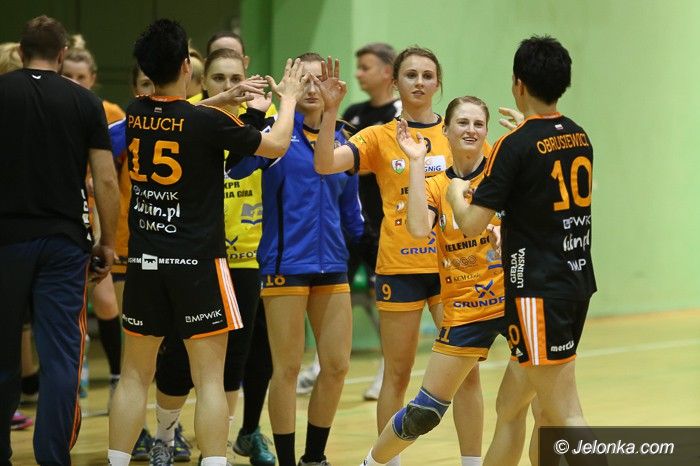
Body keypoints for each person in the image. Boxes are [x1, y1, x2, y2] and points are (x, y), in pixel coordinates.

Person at [107, 18, 306, 466]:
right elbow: (276, 144)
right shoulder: (205, 123)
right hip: (198, 265)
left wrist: (221, 99)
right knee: (211, 378)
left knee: (134, 375)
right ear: (187, 67)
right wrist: (289, 98)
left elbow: (179, 115)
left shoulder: (134, 113)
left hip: (145, 263)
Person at [313, 53, 486, 466]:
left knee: (466, 375)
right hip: (399, 267)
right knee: (397, 373)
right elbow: (325, 163)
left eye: (428, 75)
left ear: (438, 84)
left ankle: (471, 462)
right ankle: (387, 462)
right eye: (411, 75)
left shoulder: (458, 132)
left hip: (453, 271)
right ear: (396, 83)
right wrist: (330, 111)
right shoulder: (378, 136)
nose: (419, 82)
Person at [445, 36, 596, 466]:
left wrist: (456, 192)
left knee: (566, 414)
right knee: (510, 407)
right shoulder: (578, 135)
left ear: (518, 84)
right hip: (574, 284)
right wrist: (523, 135)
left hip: (536, 294)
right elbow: (539, 189)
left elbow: (471, 223)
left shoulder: (514, 146)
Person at [228, 52, 364, 466]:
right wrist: (262, 116)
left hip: (333, 266)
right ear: (290, 84)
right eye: (303, 79)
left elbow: (351, 213)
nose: (312, 88)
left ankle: (314, 458)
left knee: (336, 367)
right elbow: (236, 168)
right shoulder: (276, 133)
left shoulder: (342, 139)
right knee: (286, 369)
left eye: (319, 79)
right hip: (284, 267)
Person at [359, 96, 507, 465]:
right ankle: (373, 463)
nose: (471, 130)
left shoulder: (501, 177)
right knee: (425, 411)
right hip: (465, 307)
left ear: (486, 131)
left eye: (478, 123)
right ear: (447, 131)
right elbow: (417, 228)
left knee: (528, 401)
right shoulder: (436, 184)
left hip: (510, 301)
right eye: (463, 123)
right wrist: (415, 162)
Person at [0, 14, 119, 465]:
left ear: (21, 52)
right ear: (63, 54)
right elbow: (105, 181)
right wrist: (107, 242)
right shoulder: (85, 101)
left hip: (6, 242)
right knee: (61, 359)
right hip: (65, 243)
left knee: (4, 353)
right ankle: (52, 457)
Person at [148, 47, 276, 466]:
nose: (229, 85)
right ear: (203, 83)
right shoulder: (188, 119)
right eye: (219, 78)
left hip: (244, 259)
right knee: (177, 358)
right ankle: (165, 438)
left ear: (249, 78)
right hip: (194, 257)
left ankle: (215, 447)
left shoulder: (267, 122)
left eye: (236, 77)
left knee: (234, 360)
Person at [296, 42, 399, 401]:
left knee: (382, 298)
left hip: (384, 224)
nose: (358, 74)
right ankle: (317, 366)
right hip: (348, 222)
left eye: (365, 67)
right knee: (331, 293)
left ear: (387, 72)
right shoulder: (352, 113)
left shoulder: (398, 113)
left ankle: (386, 369)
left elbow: (382, 160)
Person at [61, 38, 126, 400]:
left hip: (98, 212)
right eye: (67, 75)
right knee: (69, 301)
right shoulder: (52, 108)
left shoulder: (111, 113)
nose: (74, 82)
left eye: (81, 76)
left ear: (93, 78)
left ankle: (117, 372)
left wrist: (100, 180)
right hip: (64, 212)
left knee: (105, 299)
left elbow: (120, 165)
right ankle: (75, 370)